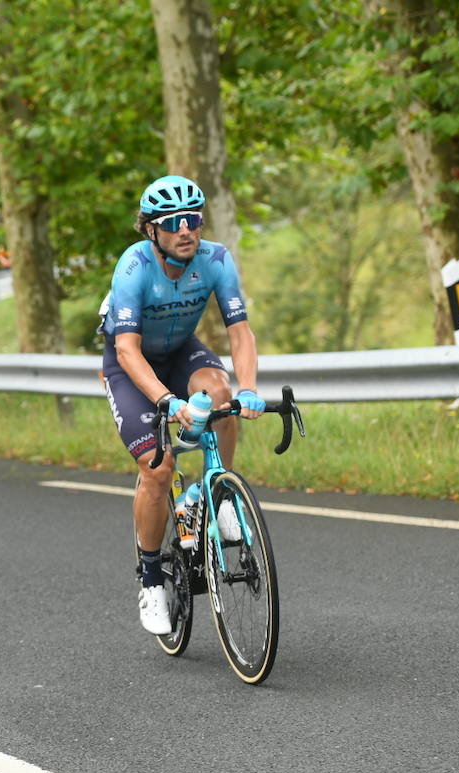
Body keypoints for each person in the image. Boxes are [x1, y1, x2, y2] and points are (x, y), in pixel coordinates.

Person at [99, 175, 263, 636]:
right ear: (151, 230)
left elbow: (239, 331)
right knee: (158, 466)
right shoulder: (133, 266)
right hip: (131, 366)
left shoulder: (215, 259)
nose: (185, 230)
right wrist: (166, 401)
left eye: (192, 219)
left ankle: (219, 492)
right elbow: (128, 350)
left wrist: (248, 386)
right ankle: (150, 578)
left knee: (223, 396)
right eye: (172, 223)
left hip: (180, 352)